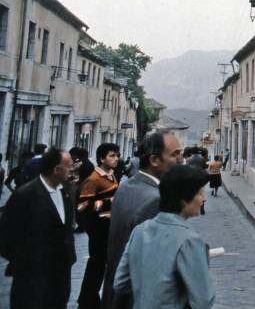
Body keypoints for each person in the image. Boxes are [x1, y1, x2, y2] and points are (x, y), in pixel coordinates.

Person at [113, 165, 215, 309]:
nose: (204, 199)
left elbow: (121, 283)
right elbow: (203, 300)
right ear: (184, 199)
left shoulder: (140, 230)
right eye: (200, 193)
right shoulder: (189, 240)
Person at [103, 131, 184, 308]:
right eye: (175, 154)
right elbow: (154, 266)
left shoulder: (127, 187)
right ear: (155, 160)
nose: (181, 160)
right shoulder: (155, 199)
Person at [0, 148, 76, 309]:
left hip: (60, 274)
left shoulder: (66, 191)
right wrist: (27, 262)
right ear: (56, 170)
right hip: (32, 277)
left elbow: (66, 228)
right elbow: (6, 238)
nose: (73, 168)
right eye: (69, 165)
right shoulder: (25, 195)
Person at [77, 142, 120, 309]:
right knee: (96, 266)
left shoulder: (111, 175)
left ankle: (91, 299)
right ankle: (87, 301)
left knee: (100, 266)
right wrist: (108, 203)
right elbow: (83, 206)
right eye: (112, 155)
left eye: (117, 155)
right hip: (98, 230)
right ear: (102, 158)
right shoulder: (94, 179)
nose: (116, 159)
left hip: (107, 228)